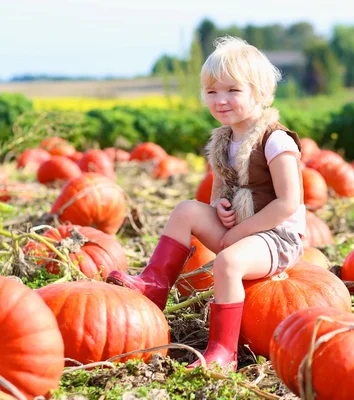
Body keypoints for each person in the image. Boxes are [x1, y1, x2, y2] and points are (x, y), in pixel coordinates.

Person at [107, 36, 305, 371]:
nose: (220, 100)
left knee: (227, 263)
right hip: (241, 229)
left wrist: (240, 231)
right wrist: (221, 211)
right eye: (212, 92)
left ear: (258, 92)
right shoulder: (224, 140)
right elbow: (218, 192)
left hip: (277, 238)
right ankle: (155, 285)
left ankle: (223, 352)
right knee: (186, 210)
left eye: (232, 90)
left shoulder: (275, 141)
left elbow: (287, 203)